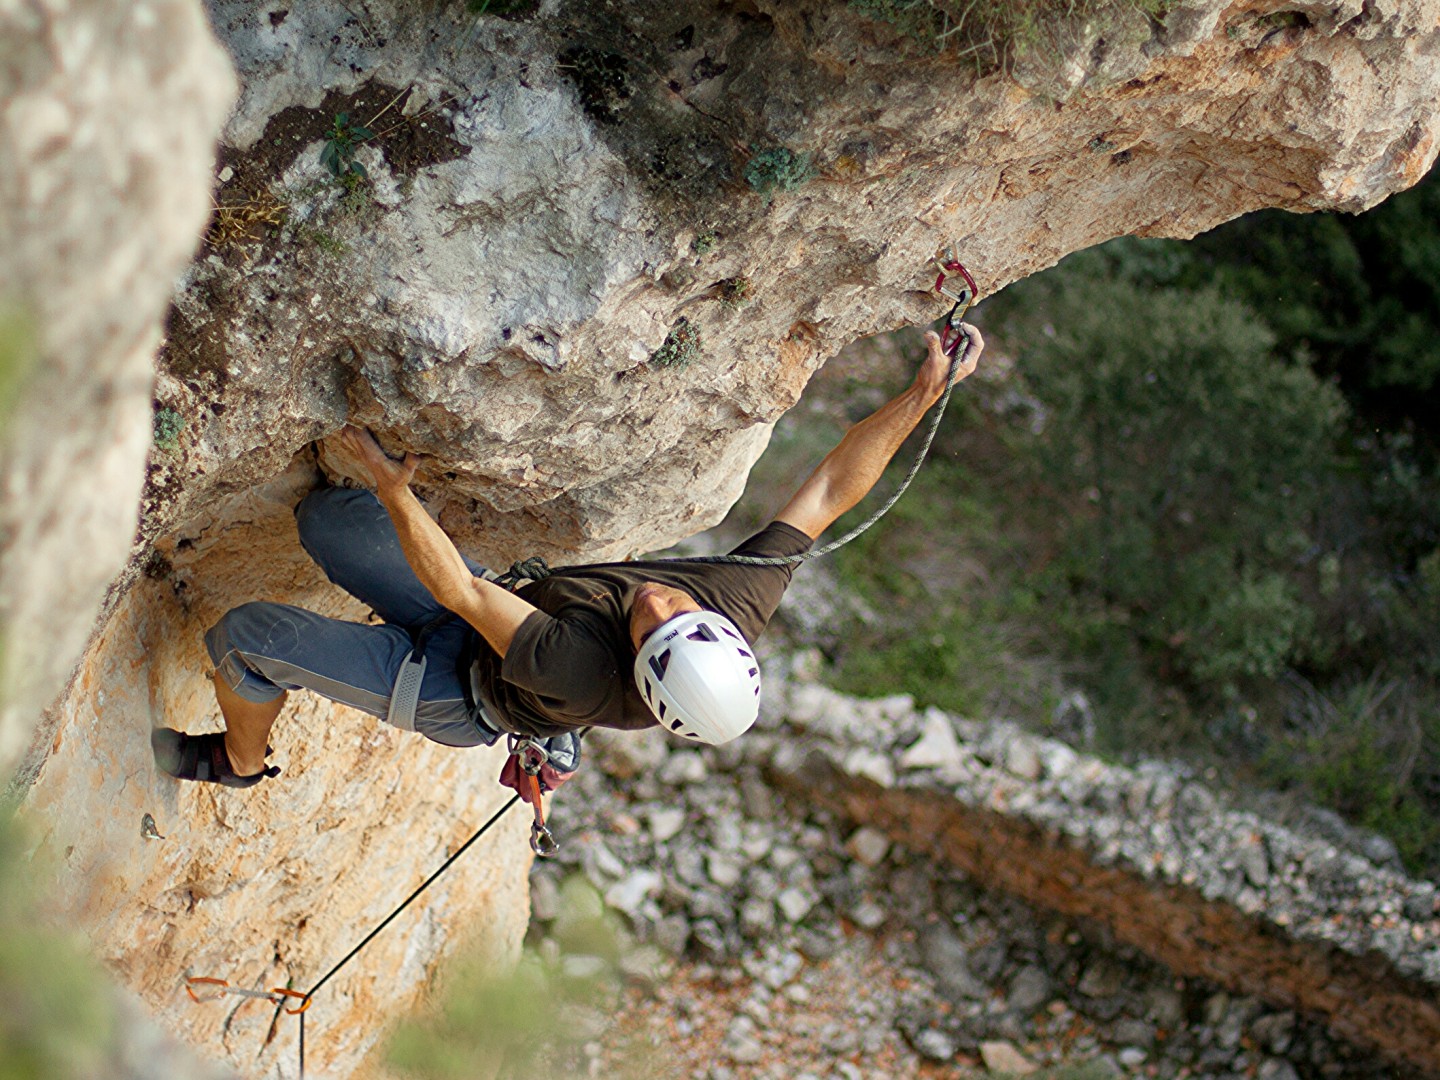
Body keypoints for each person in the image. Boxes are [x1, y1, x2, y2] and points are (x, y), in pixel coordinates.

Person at [152, 326, 984, 788]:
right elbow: (834, 486)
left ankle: (236, 759)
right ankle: (537, 723)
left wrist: (398, 489)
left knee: (245, 635)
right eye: (679, 614)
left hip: (458, 688)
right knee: (332, 519)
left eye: (653, 631)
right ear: (726, 631)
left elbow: (459, 588)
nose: (660, 603)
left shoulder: (581, 665)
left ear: (642, 670)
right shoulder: (737, 597)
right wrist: (924, 392)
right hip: (487, 633)